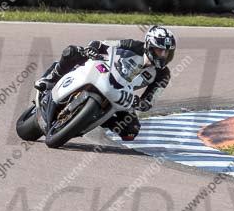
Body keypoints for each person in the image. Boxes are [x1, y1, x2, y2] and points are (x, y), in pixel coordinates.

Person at [34, 25, 176, 141]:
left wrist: (139, 103)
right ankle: (50, 80)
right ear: (149, 46)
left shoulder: (163, 75)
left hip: (122, 94)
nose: (163, 56)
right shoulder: (133, 46)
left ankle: (91, 119)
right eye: (159, 51)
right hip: (104, 71)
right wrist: (93, 48)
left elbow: (150, 100)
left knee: (131, 131)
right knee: (72, 51)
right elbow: (104, 44)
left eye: (167, 53)